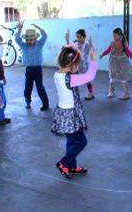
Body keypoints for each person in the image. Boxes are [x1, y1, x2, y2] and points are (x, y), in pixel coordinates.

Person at [51, 44, 98, 179]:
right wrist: (93, 60)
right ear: (71, 64)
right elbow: (89, 76)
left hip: (62, 113)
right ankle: (64, 163)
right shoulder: (70, 79)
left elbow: (79, 73)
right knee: (82, 142)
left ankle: (71, 166)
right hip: (70, 114)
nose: (78, 68)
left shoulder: (57, 74)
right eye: (77, 65)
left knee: (71, 141)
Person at [15, 20, 49, 111]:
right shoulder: (24, 45)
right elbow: (17, 39)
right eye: (27, 39)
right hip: (29, 69)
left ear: (35, 38)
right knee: (27, 87)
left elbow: (45, 36)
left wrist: (39, 28)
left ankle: (45, 103)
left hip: (38, 69)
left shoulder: (39, 44)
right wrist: (19, 29)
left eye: (31, 39)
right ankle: (28, 100)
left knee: (40, 87)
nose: (29, 41)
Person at [100, 28, 132, 100]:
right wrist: (102, 54)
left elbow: (128, 51)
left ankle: (126, 94)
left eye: (115, 36)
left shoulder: (124, 43)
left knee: (123, 78)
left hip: (121, 62)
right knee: (112, 77)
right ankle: (111, 91)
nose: (114, 37)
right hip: (113, 62)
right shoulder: (112, 42)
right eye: (113, 36)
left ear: (120, 36)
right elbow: (108, 50)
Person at [65, 29, 95, 100]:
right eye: (77, 37)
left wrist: (91, 44)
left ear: (84, 37)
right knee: (74, 80)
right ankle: (74, 94)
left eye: (80, 37)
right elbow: (69, 50)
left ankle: (90, 93)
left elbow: (92, 51)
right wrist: (67, 40)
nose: (78, 39)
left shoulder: (86, 45)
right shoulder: (75, 44)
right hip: (76, 65)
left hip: (84, 66)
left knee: (88, 81)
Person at [0, 33, 11, 126]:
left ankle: (1, 117)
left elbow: (1, 68)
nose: (1, 45)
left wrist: (3, 77)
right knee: (1, 101)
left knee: (2, 100)